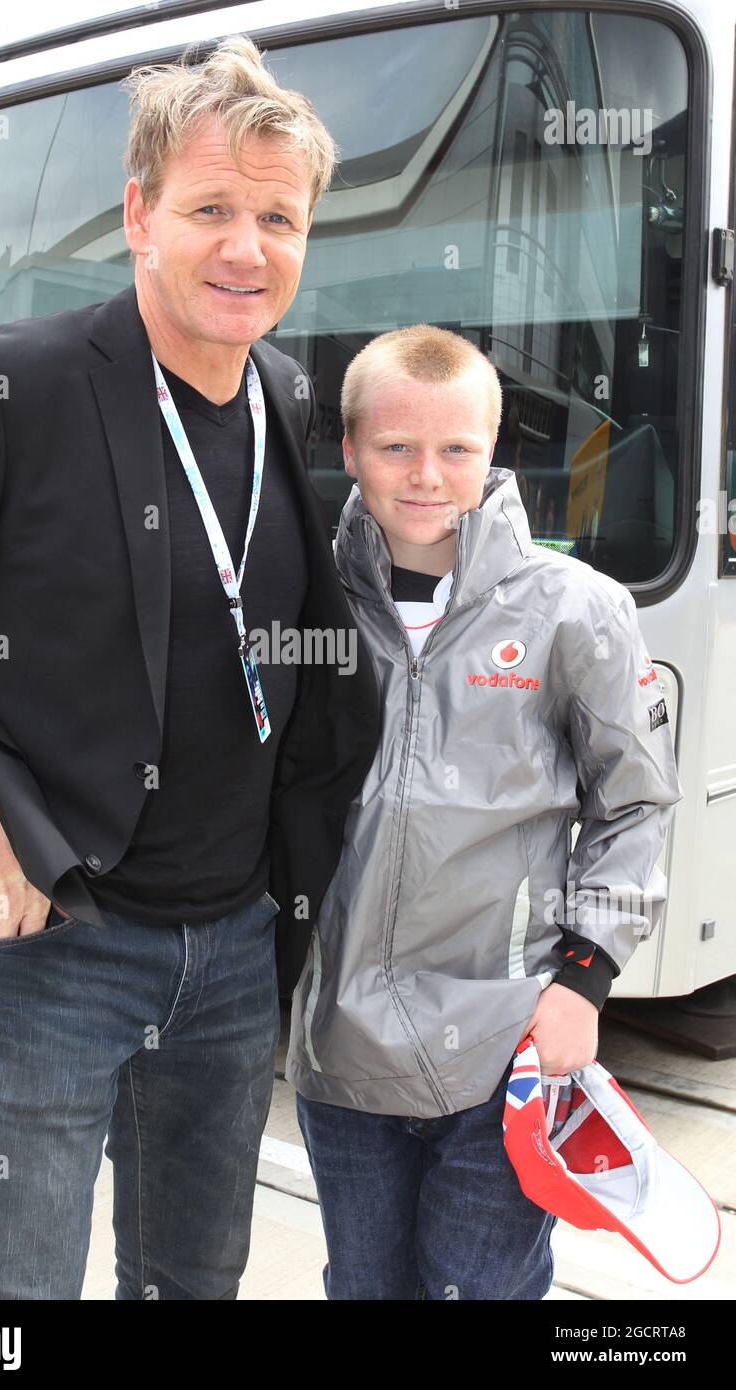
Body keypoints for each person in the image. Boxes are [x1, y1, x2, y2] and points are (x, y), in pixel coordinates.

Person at [0, 35, 380, 1300]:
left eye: (278, 216)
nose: (245, 247)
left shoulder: (285, 393)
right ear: (139, 211)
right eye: (211, 208)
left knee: (190, 1282)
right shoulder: (8, 382)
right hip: (47, 939)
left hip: (231, 945)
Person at [285, 324, 683, 1300]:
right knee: (364, 1287)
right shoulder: (306, 604)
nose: (426, 475)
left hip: (504, 1051)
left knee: (480, 1288)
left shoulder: (572, 608)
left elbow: (633, 804)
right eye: (394, 448)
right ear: (348, 452)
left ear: (492, 450)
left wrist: (579, 981)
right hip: (340, 1056)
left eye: (455, 449)